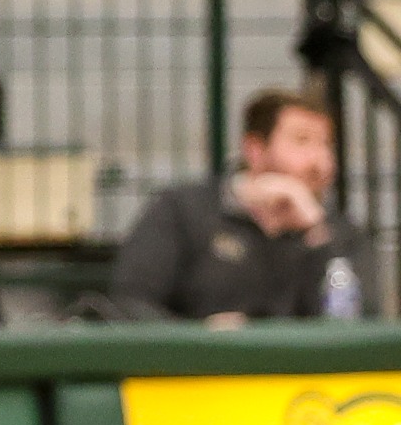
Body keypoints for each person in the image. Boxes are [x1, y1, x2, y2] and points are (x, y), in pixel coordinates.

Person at [111, 89, 379, 325]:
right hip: (196, 377)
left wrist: (316, 235)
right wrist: (200, 340)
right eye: (302, 141)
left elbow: (352, 322)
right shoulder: (182, 210)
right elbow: (131, 303)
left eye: (326, 145)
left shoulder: (339, 234)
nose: (321, 162)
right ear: (255, 150)